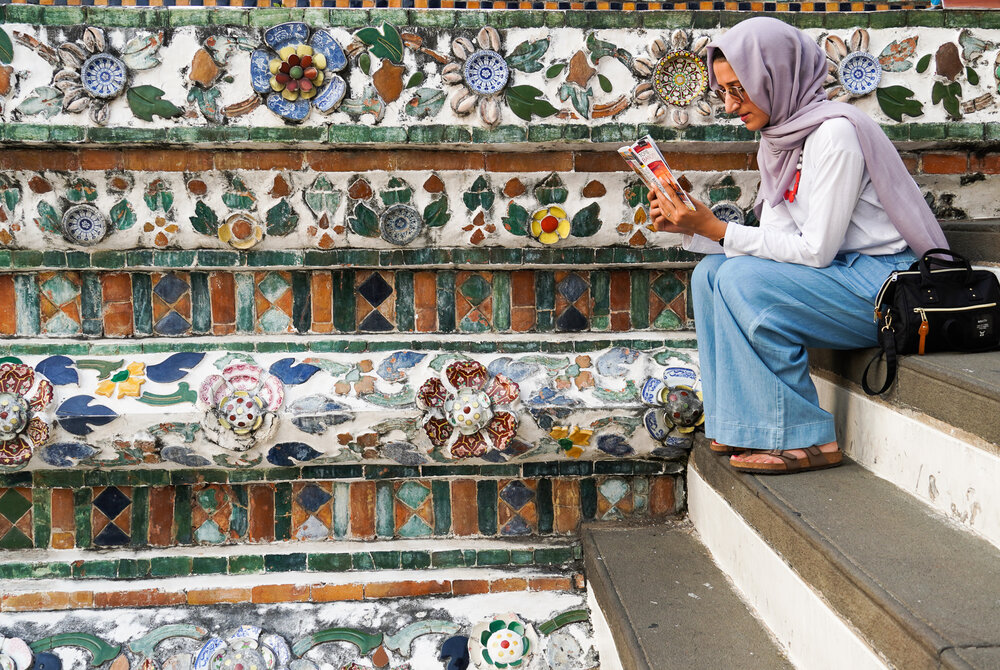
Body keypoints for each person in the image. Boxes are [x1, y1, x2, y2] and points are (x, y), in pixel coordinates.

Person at [648, 17, 948, 474]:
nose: (730, 106)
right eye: (724, 91)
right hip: (841, 276)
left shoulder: (835, 135)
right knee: (710, 275)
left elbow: (814, 250)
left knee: (742, 279)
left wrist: (718, 230)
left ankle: (806, 439)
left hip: (883, 287)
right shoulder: (781, 140)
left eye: (739, 90)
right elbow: (778, 239)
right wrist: (692, 228)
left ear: (775, 75)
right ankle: (742, 424)